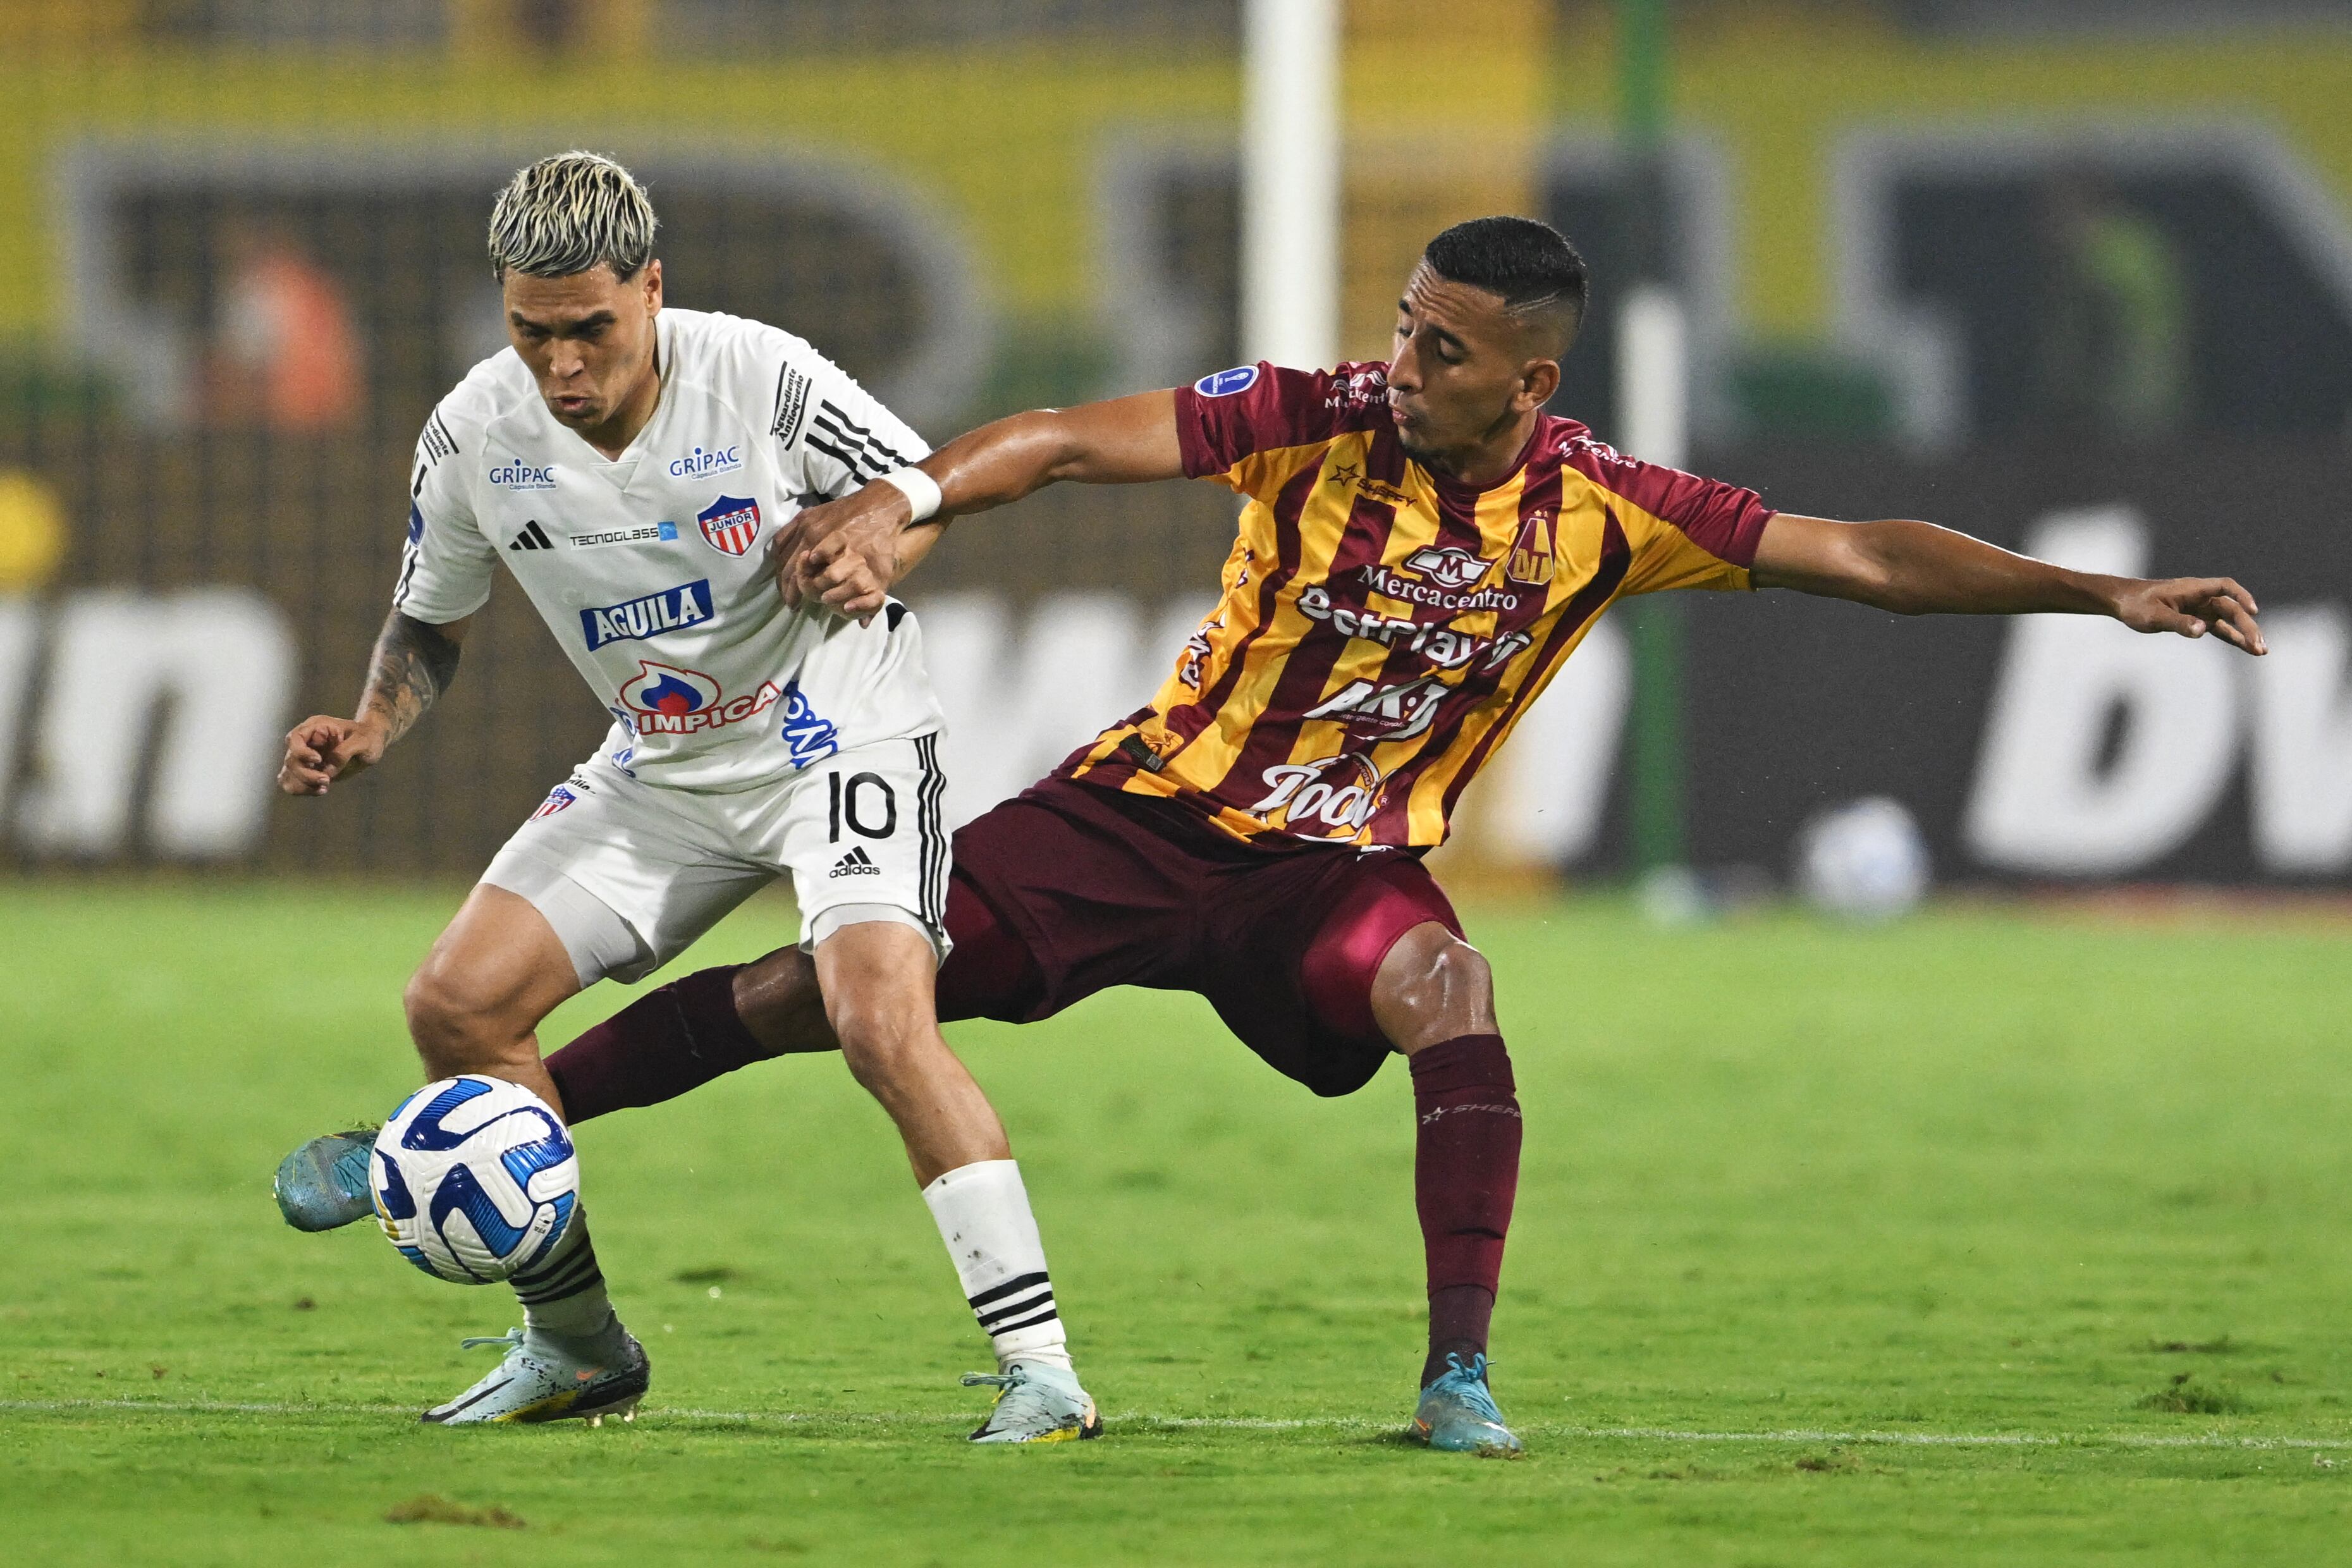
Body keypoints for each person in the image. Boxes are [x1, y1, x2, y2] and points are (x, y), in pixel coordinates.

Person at [280, 214, 2266, 1455]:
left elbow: (1862, 556)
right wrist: (912, 512)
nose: (1401, 364)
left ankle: (1457, 1383)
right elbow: (1065, 438)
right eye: (1400, 327)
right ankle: (454, 1143)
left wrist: (2099, 598)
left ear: (1530, 379)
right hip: (1141, 817)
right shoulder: (1306, 416)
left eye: (1441, 350)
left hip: (1339, 874)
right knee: (833, 994)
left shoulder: (1606, 506)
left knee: (1453, 989)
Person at [271, 151, 1101, 1442]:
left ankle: (1042, 1370)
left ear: (651, 290)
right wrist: (376, 720)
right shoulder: (474, 432)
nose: (562, 365)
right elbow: (430, 619)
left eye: (591, 327)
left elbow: (926, 485)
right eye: (532, 331)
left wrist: (872, 540)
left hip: (838, 732)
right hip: (660, 765)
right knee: (456, 1003)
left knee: (877, 1013)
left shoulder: (758, 376)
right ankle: (579, 1345)